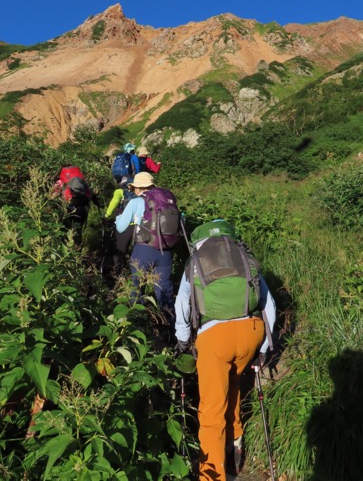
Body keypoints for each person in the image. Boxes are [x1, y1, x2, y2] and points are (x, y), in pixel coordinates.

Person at [174, 220, 276, 481]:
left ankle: (212, 476)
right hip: (250, 333)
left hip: (215, 339)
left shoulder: (195, 261)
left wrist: (184, 341)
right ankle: (235, 449)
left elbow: (182, 306)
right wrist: (264, 348)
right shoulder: (243, 258)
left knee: (211, 410)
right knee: (231, 384)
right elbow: (269, 306)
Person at [114, 172, 179, 317]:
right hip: (165, 250)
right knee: (164, 290)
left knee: (137, 287)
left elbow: (121, 227)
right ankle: (171, 327)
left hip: (143, 250)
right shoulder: (165, 201)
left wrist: (118, 219)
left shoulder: (135, 202)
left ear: (137, 188)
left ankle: (138, 322)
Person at [52, 165, 98, 246]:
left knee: (64, 231)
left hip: (67, 209)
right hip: (81, 209)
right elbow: (90, 194)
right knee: (77, 231)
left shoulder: (60, 182)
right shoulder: (81, 181)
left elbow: (52, 197)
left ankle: (65, 251)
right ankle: (77, 251)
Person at [104, 176, 134, 278]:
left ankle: (118, 271)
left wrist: (107, 215)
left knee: (119, 248)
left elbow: (113, 204)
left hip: (124, 223)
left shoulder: (119, 191)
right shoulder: (139, 193)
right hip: (138, 224)